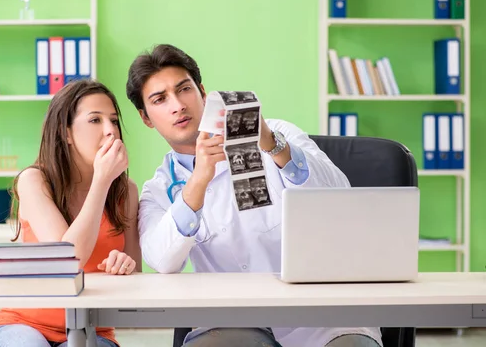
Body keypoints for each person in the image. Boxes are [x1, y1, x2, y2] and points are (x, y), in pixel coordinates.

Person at [125, 44, 382, 347]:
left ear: (203, 93)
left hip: (322, 319)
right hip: (232, 322)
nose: (178, 105)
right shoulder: (158, 189)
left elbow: (338, 193)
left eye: (184, 89)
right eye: (160, 99)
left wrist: (273, 145)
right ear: (146, 118)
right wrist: (198, 181)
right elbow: (162, 260)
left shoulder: (277, 134)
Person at [0, 80, 142, 347]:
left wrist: (124, 264)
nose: (110, 131)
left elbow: (136, 269)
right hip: (23, 324)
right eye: (95, 120)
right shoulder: (34, 181)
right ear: (65, 132)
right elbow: (68, 259)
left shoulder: (126, 191)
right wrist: (101, 182)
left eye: (114, 121)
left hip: (95, 329)